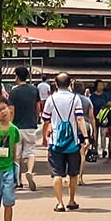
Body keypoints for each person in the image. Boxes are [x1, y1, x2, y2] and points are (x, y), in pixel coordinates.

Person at [43, 72, 86, 212]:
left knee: (57, 174)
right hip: (72, 142)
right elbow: (80, 119)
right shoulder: (75, 99)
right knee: (73, 173)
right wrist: (85, 137)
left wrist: (45, 136)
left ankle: (60, 203)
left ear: (56, 84)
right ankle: (71, 200)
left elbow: (46, 120)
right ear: (69, 84)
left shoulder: (51, 99)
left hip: (55, 141)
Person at [7, 65, 42, 192]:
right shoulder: (34, 90)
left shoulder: (13, 92)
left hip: (16, 127)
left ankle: (18, 180)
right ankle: (30, 171)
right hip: (30, 126)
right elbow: (38, 107)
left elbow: (11, 111)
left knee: (16, 155)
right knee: (30, 151)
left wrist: (9, 125)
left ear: (17, 76)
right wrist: (37, 118)